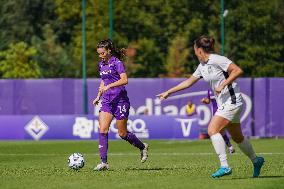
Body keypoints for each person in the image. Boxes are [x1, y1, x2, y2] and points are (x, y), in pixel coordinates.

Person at [157, 35, 264, 178]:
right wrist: (168, 92)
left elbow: (237, 70)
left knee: (212, 130)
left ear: (199, 50)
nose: (194, 53)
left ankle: (224, 166)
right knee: (238, 138)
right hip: (225, 103)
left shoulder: (218, 59)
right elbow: (188, 82)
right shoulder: (202, 66)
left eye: (194, 50)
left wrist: (223, 84)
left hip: (232, 101)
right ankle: (256, 161)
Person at [93, 39, 149, 171]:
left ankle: (142, 147)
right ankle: (104, 162)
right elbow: (103, 81)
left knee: (122, 134)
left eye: (102, 53)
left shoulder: (117, 63)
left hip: (120, 101)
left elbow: (125, 80)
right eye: (98, 54)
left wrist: (110, 86)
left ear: (108, 51)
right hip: (107, 101)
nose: (100, 56)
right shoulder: (101, 64)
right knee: (103, 129)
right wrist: (98, 96)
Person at [201, 89, 235, 154]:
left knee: (217, 131)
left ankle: (225, 148)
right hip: (215, 114)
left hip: (223, 112)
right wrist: (205, 101)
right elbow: (208, 100)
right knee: (220, 131)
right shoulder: (209, 90)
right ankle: (229, 147)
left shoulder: (222, 87)